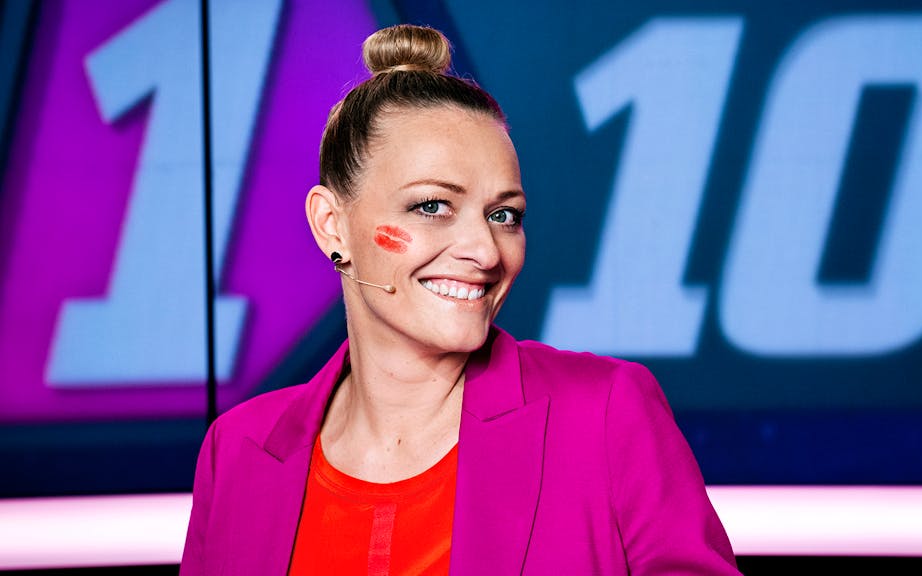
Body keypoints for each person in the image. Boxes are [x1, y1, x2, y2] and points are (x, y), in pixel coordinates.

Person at [181, 23, 741, 576]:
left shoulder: (606, 415)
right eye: (432, 206)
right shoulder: (236, 452)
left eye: (504, 215)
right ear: (332, 224)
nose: (486, 251)